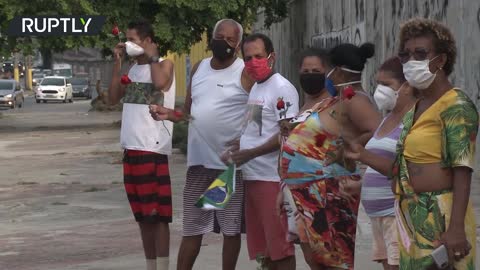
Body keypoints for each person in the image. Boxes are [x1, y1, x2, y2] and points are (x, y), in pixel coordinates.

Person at [149, 19, 254, 270]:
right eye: (219, 36)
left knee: (230, 230)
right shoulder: (199, 68)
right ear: (211, 38)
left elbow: (258, 112)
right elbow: (188, 113)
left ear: (238, 44)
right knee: (193, 227)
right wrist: (167, 112)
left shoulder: (245, 72)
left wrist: (248, 140)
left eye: (230, 39)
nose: (223, 42)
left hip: (229, 169)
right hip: (199, 165)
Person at [276, 42, 379, 270]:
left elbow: (379, 133)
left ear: (336, 71)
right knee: (317, 261)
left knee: (333, 261)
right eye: (306, 71)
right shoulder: (326, 103)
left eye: (323, 71)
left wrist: (352, 149)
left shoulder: (352, 101)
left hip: (328, 192)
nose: (318, 77)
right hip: (305, 194)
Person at [392, 18, 478, 270]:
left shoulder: (456, 105)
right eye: (405, 54)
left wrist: (456, 229)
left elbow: (462, 169)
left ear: (440, 60)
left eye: (420, 53)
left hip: (442, 216)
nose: (411, 61)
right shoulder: (415, 107)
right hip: (413, 214)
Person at [107, 19, 175, 270]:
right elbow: (113, 98)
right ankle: (151, 265)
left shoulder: (164, 64)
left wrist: (152, 56)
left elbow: (161, 84)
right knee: (142, 217)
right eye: (126, 39)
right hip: (131, 150)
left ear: (147, 41)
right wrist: (118, 63)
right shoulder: (132, 71)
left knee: (158, 216)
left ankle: (164, 266)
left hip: (152, 149)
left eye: (132, 40)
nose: (128, 44)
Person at [230, 33, 299, 270]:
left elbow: (288, 134)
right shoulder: (257, 88)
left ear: (272, 57)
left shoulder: (281, 89)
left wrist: (251, 153)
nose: (253, 62)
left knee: (281, 248)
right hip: (252, 178)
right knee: (265, 251)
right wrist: (239, 145)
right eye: (247, 58)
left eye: (258, 56)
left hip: (271, 179)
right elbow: (255, 129)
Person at [344, 57, 417, 270]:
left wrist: (363, 155)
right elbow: (382, 170)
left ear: (407, 86)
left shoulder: (413, 123)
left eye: (387, 85)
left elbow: (404, 170)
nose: (380, 90)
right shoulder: (387, 119)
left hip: (396, 215)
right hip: (378, 218)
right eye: (378, 84)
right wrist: (359, 186)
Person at [275, 48, 331, 268]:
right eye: (305, 70)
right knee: (310, 257)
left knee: (325, 257)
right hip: (294, 192)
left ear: (326, 72)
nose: (310, 75)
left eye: (315, 70)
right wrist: (283, 189)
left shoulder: (332, 107)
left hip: (319, 192)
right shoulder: (302, 108)